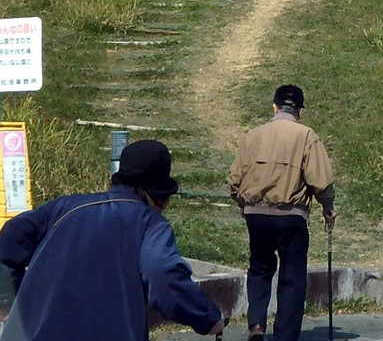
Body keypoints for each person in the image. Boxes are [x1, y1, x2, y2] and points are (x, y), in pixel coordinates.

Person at [0, 139, 225, 341]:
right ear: (159, 195)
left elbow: (10, 237)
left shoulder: (65, 208)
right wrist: (207, 317)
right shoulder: (150, 224)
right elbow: (162, 275)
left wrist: (13, 300)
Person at [228, 85, 336, 341]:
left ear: (274, 106)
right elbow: (321, 181)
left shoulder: (254, 135)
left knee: (259, 267)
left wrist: (245, 205)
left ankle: (256, 326)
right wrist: (327, 207)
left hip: (257, 214)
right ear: (299, 111)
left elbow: (234, 179)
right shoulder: (306, 136)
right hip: (291, 215)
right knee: (292, 274)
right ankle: (285, 335)